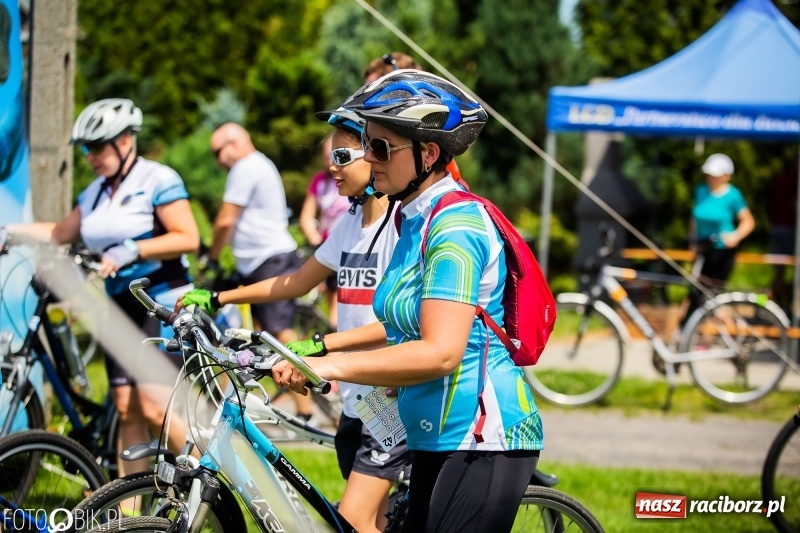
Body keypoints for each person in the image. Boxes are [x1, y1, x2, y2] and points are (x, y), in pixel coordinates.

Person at [272, 70, 543, 533]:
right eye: (366, 144)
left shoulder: (455, 227)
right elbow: (407, 328)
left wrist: (330, 366)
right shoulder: (411, 218)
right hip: (435, 437)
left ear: (429, 153)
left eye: (380, 147)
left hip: (481, 439)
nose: (367, 158)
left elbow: (440, 351)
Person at [179, 108, 410, 533]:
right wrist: (217, 297)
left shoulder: (401, 225)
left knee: (353, 519)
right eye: (329, 157)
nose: (330, 167)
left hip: (392, 397)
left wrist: (323, 345)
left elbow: (400, 324)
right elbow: (293, 282)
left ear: (373, 154)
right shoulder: (351, 222)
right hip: (357, 396)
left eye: (341, 157)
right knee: (372, 521)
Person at [8, 98, 200, 477]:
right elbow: (58, 233)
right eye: (85, 148)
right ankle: (126, 509)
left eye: (96, 146)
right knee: (127, 408)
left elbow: (187, 236)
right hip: (118, 306)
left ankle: (210, 480)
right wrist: (9, 233)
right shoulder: (94, 192)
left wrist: (132, 249)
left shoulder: (157, 179)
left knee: (153, 404)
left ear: (125, 141)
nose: (89, 156)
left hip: (159, 302)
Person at [206, 123, 312, 419]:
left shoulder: (246, 166)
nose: (217, 161)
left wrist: (212, 258)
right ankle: (233, 403)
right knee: (251, 335)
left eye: (218, 152)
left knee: (280, 333)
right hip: (260, 261)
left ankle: (305, 410)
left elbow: (225, 220)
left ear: (235, 143)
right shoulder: (258, 164)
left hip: (269, 259)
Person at [686, 153, 755, 317]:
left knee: (711, 296)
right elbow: (694, 218)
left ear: (726, 175)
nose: (710, 178)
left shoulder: (733, 195)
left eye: (715, 174)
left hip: (722, 251)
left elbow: (748, 221)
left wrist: (735, 236)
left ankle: (720, 333)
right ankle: (693, 335)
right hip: (703, 249)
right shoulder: (701, 191)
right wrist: (692, 240)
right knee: (696, 294)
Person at [298, 133, 350, 328]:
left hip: (350, 245)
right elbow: (307, 216)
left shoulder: (353, 180)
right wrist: (317, 242)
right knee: (332, 303)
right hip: (328, 245)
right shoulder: (320, 181)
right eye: (326, 154)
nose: (330, 160)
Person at [769, 157, 798, 310]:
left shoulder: (780, 178)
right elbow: (794, 205)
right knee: (795, 267)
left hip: (777, 226)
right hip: (790, 228)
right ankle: (785, 302)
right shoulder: (794, 180)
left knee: (779, 270)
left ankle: (776, 303)